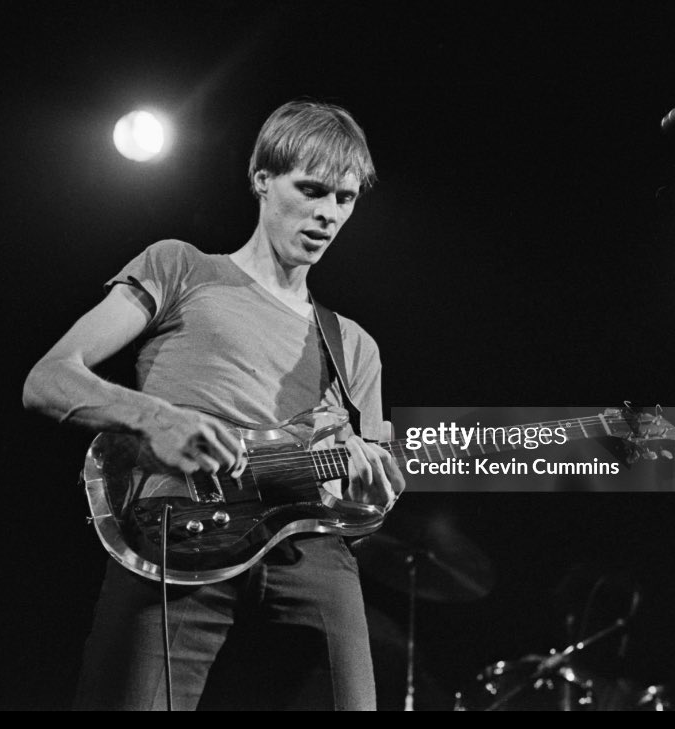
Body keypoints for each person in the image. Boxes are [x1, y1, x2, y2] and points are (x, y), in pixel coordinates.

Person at [23, 100, 405, 710]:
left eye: (345, 198)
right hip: (173, 530)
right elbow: (48, 379)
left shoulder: (353, 344)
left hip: (307, 550)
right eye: (311, 190)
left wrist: (369, 479)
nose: (328, 214)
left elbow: (367, 495)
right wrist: (157, 417)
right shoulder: (181, 266)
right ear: (261, 179)